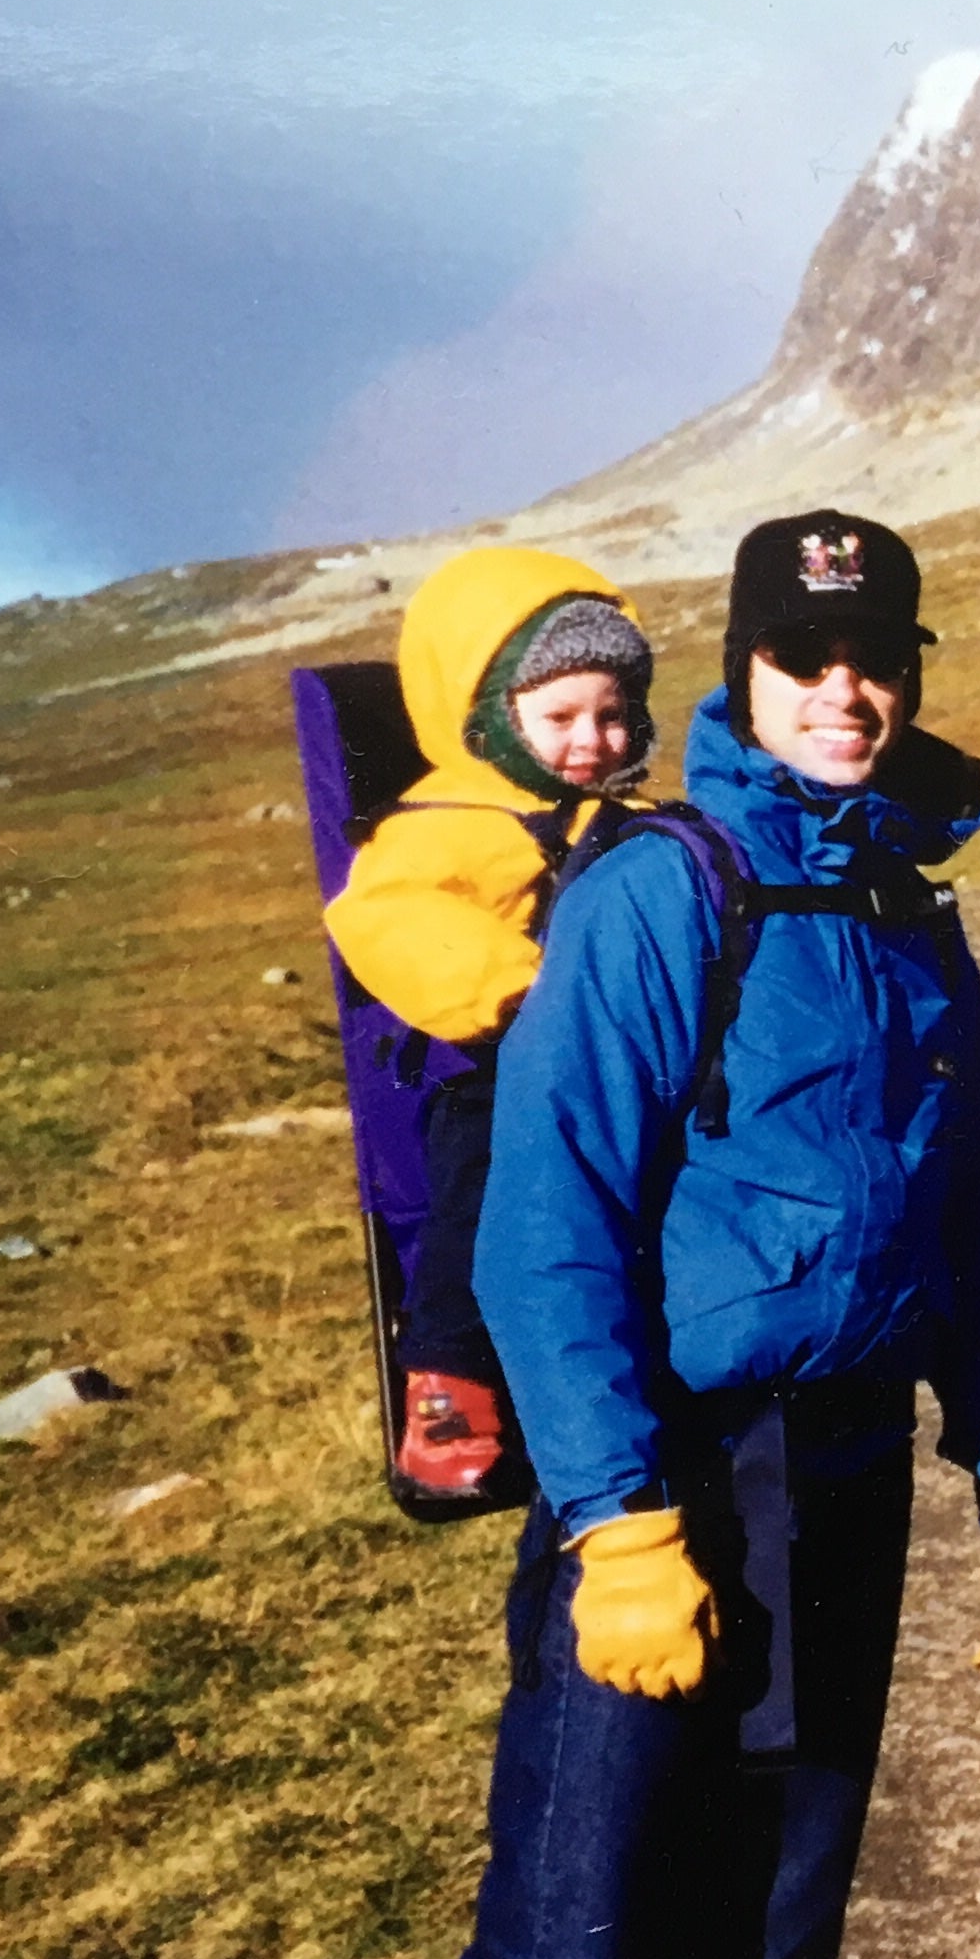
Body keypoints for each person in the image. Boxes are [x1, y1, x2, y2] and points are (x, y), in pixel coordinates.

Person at [376, 511, 980, 1959]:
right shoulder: (660, 896)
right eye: (805, 659)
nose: (847, 693)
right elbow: (547, 1231)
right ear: (746, 673)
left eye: (878, 661)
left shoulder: (911, 916)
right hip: (669, 1493)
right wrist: (611, 1521)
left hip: (839, 1492)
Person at [321, 547, 657, 1500]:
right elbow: (384, 916)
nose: (589, 738)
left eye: (611, 712)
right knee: (482, 1196)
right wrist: (524, 991)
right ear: (485, 716)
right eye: (558, 717)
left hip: (616, 1056)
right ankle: (447, 1387)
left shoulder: (618, 814)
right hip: (497, 1063)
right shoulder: (443, 822)